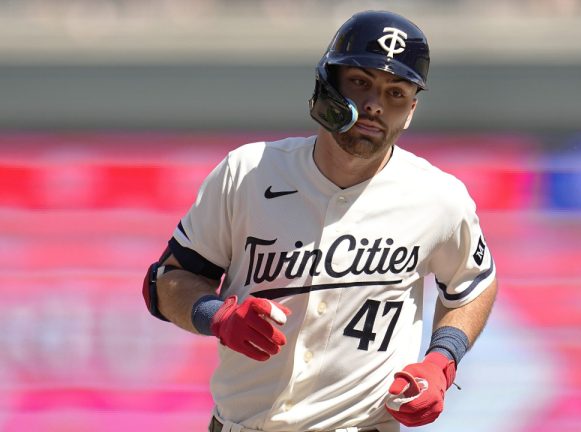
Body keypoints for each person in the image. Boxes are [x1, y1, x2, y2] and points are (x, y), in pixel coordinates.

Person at [142, 10, 497, 432]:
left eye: (395, 93)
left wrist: (442, 361)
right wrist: (217, 316)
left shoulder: (437, 196)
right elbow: (168, 282)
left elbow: (475, 285)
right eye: (361, 82)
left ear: (411, 110)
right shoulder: (249, 171)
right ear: (327, 82)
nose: (374, 105)